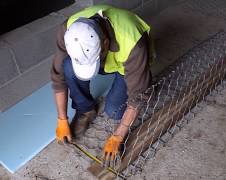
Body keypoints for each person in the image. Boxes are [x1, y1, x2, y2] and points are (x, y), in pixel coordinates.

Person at [51, 4, 154, 163]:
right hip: (106, 60)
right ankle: (86, 110)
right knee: (67, 67)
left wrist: (118, 137)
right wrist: (62, 119)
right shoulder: (69, 30)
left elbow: (137, 98)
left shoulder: (133, 43)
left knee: (115, 111)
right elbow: (58, 79)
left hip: (127, 66)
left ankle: (144, 78)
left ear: (105, 43)